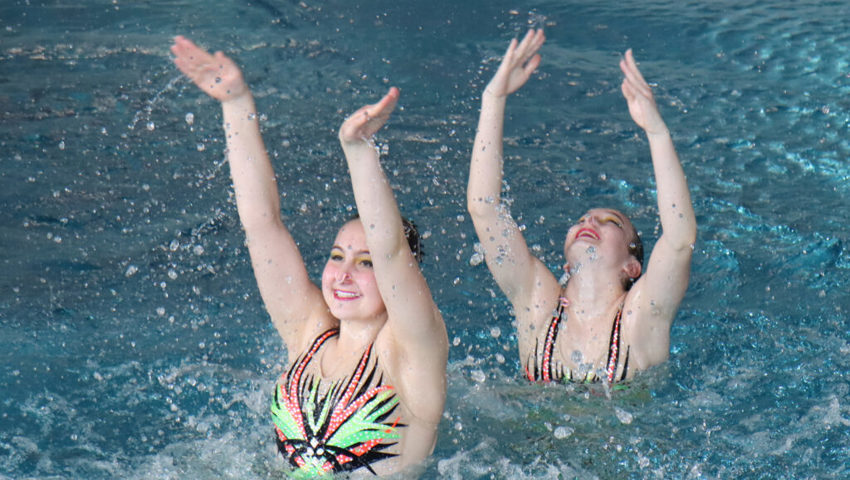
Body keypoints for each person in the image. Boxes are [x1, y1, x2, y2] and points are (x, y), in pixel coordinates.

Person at [171, 36, 448, 477]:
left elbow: (392, 249)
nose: (342, 273)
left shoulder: (412, 351)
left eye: (365, 262)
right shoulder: (308, 332)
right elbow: (262, 225)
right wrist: (236, 104)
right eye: (337, 256)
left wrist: (358, 151)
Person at [467, 29, 696, 385]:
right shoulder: (539, 302)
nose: (590, 220)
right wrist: (493, 98)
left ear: (633, 266)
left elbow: (680, 238)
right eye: (583, 219)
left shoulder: (640, 318)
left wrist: (657, 132)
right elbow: (484, 209)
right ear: (564, 260)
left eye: (610, 222)